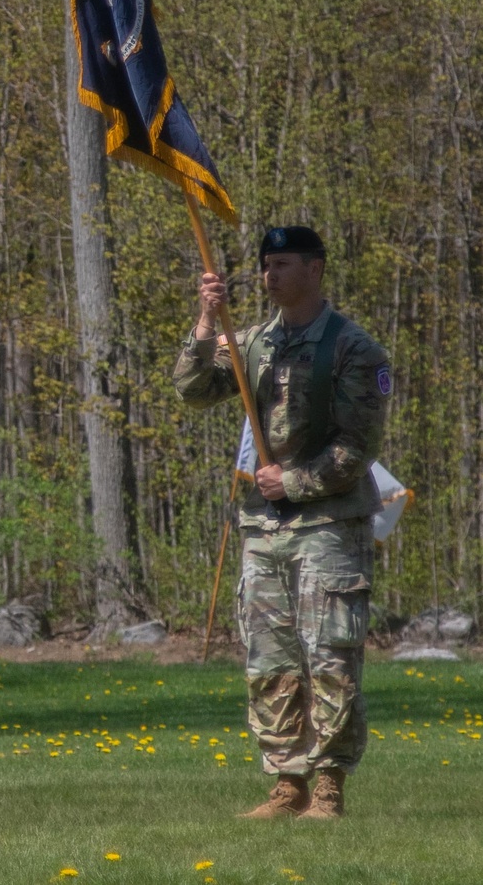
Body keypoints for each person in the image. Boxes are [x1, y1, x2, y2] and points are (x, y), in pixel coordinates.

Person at [173, 225, 391, 820]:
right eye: (266, 265)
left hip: (328, 526)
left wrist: (292, 482)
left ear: (316, 270)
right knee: (269, 661)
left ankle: (328, 785)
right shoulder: (253, 342)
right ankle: (284, 781)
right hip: (263, 529)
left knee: (330, 656)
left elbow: (359, 444)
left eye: (285, 264)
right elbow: (193, 390)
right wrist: (204, 321)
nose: (271, 276)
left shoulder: (353, 348)